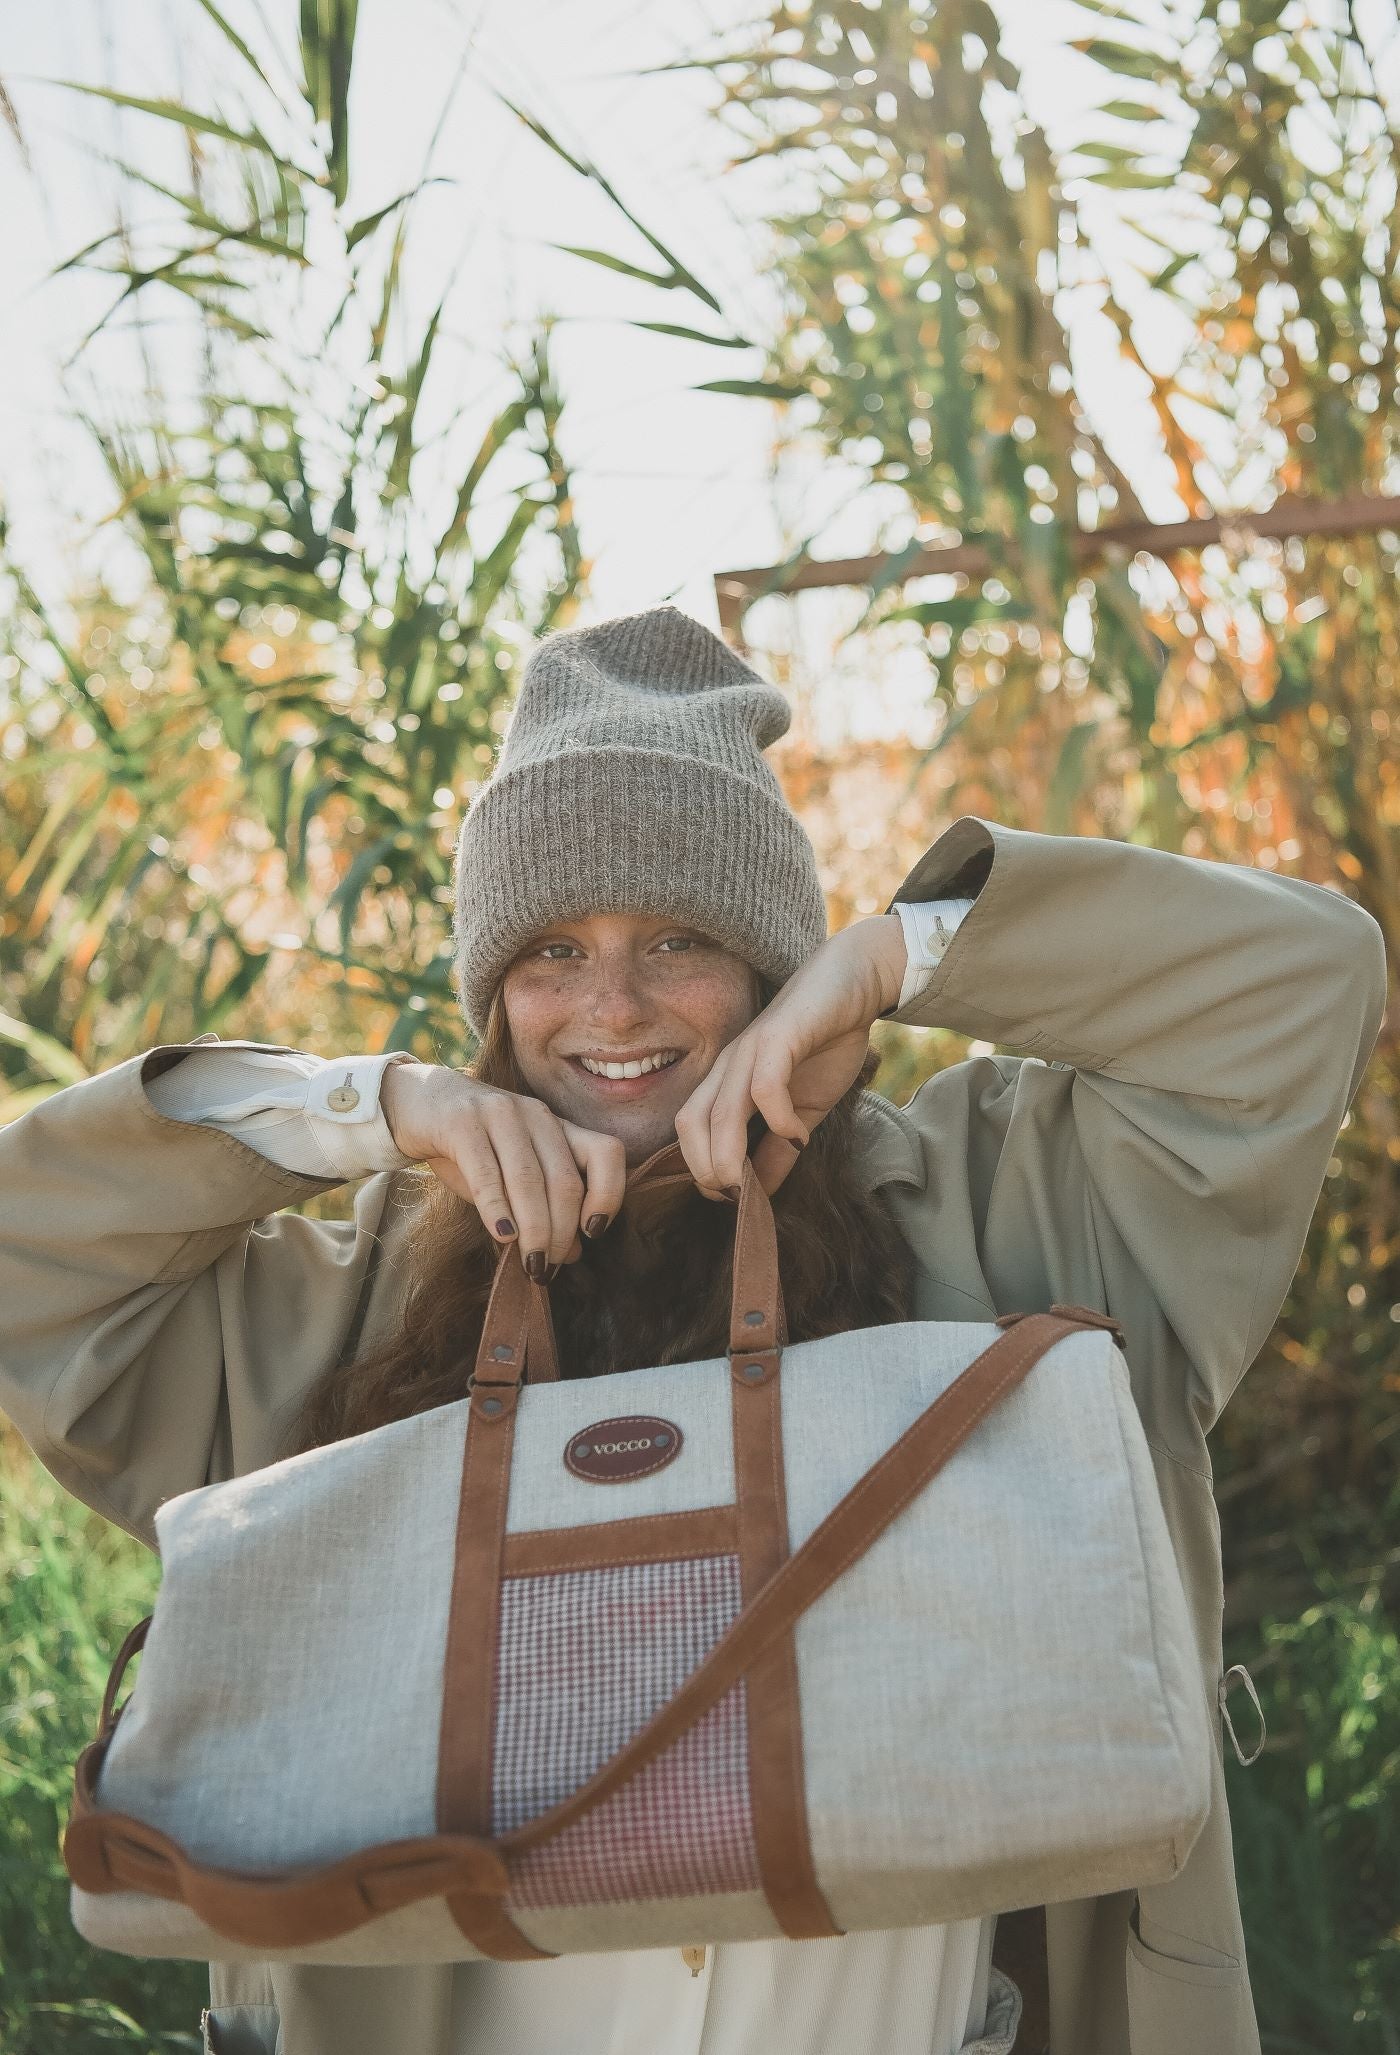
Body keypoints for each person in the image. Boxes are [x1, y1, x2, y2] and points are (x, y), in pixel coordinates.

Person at [0, 603, 1385, 2055]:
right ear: (491, 995)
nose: (612, 1007)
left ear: (769, 969)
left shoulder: (997, 1214)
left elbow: (1309, 985)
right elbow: (33, 1261)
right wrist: (372, 1108)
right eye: (548, 950)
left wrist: (895, 966)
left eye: (681, 938)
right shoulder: (361, 1299)